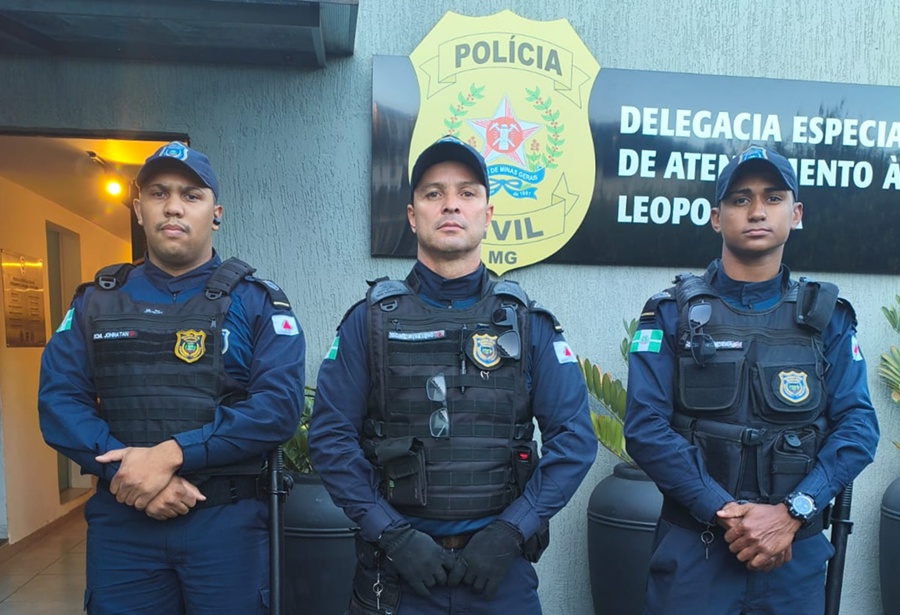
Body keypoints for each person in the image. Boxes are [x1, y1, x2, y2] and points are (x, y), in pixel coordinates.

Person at [308, 135, 597, 614]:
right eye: (433, 193)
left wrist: (511, 530)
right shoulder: (371, 320)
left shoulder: (528, 322)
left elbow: (575, 440)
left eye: (467, 193)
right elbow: (330, 439)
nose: (450, 206)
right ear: (411, 214)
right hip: (396, 573)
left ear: (487, 214)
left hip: (498, 576)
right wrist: (393, 534)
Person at [38, 141, 305, 615]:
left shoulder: (257, 301)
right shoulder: (96, 302)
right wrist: (134, 476)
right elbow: (59, 403)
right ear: (138, 209)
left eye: (191, 195)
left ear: (215, 213)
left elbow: (276, 409)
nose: (174, 207)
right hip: (125, 528)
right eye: (159, 193)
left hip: (228, 527)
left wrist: (172, 454)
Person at [623, 145, 879, 615]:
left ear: (796, 213)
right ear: (716, 217)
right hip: (695, 554)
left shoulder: (828, 319)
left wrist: (792, 512)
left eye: (773, 198)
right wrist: (729, 515)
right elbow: (645, 428)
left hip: (793, 555)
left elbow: (858, 427)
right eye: (740, 199)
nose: (757, 211)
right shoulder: (668, 314)